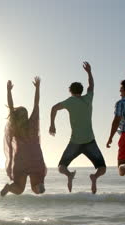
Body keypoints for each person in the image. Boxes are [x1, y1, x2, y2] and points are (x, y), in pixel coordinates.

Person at [49, 62, 106, 194]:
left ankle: (69, 175)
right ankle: (94, 177)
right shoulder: (88, 98)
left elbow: (53, 108)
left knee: (61, 167)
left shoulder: (70, 101)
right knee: (102, 168)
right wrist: (89, 72)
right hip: (90, 141)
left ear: (71, 91)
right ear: (81, 91)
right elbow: (91, 85)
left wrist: (52, 124)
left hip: (75, 142)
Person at [0, 77, 47, 196]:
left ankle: (9, 188)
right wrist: (37, 88)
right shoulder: (33, 123)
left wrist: (8, 91)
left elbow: (11, 108)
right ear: (26, 115)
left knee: (19, 189)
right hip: (35, 157)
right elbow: (36, 104)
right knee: (35, 186)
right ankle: (39, 186)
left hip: (20, 159)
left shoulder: (15, 127)